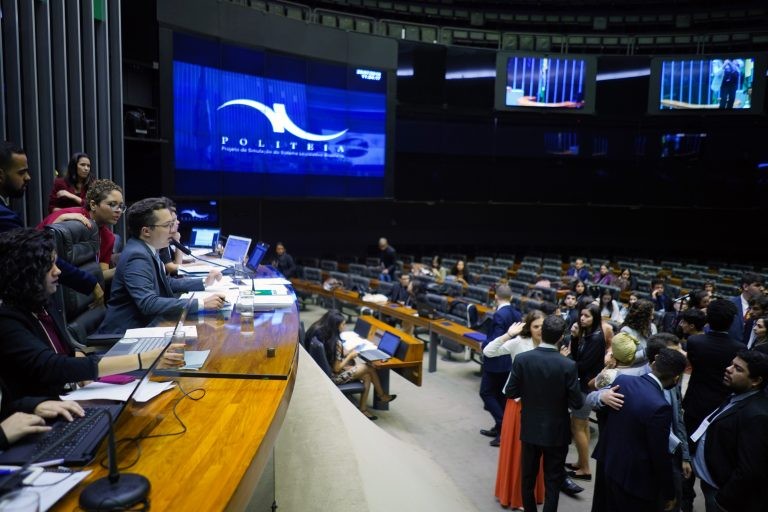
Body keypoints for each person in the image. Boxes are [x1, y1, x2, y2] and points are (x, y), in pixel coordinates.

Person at [0, 229, 176, 407]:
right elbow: (50, 366)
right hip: (41, 409)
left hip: (72, 395)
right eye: (49, 266)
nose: (58, 271)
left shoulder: (42, 302)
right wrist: (141, 359)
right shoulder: (7, 319)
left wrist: (79, 363)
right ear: (26, 272)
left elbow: (67, 351)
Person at [98, 197, 225, 333]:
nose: (173, 230)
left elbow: (165, 282)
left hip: (148, 325)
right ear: (146, 231)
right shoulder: (137, 256)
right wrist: (201, 304)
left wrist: (204, 283)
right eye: (167, 225)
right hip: (126, 335)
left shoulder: (148, 248)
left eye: (172, 224)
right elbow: (148, 303)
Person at [0, 141, 103, 304]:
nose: (28, 177)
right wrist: (88, 282)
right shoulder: (4, 217)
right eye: (21, 173)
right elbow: (33, 250)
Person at [504, 315, 584, 512]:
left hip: (530, 427)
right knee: (553, 480)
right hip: (557, 431)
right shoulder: (568, 365)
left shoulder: (523, 359)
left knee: (528, 479)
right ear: (560, 338)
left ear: (542, 334)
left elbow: (510, 392)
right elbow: (577, 403)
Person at [594, 348, 688, 512]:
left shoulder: (623, 381)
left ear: (653, 364)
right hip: (634, 481)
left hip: (609, 463)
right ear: (676, 378)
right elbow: (659, 453)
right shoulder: (660, 407)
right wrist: (669, 492)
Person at [681, 299, 742, 512]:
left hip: (695, 403)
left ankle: (686, 499)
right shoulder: (739, 348)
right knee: (716, 455)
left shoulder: (696, 343)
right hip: (722, 409)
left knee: (686, 451)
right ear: (732, 321)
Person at [484, 309, 547, 508]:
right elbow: (488, 351)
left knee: (535, 453)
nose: (540, 330)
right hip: (518, 404)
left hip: (540, 406)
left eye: (543, 327)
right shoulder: (519, 342)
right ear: (529, 327)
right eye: (536, 326)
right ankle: (514, 496)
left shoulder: (550, 345)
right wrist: (508, 335)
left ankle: (530, 495)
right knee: (518, 452)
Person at [691, 350, 768, 512]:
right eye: (731, 364)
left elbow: (749, 471)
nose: (728, 369)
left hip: (720, 493)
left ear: (755, 381)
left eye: (738, 369)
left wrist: (723, 500)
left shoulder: (757, 416)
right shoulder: (739, 393)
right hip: (711, 482)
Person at [306, 310, 395, 420]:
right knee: (369, 367)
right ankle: (382, 396)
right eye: (343, 324)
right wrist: (350, 355)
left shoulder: (318, 330)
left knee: (367, 376)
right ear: (335, 326)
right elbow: (337, 368)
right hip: (333, 377)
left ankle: (364, 409)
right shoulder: (336, 342)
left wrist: (347, 352)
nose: (344, 327)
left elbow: (331, 356)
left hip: (321, 371)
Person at [38, 179, 124, 282]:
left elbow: (101, 274)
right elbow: (39, 247)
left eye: (120, 206)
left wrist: (124, 268)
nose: (118, 210)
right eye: (112, 204)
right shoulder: (67, 217)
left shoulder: (108, 237)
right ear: (93, 205)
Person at [563, 303, 605, 481]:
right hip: (584, 385)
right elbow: (578, 357)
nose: (582, 319)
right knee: (584, 425)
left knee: (577, 427)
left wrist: (565, 359)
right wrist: (573, 338)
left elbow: (582, 365)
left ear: (595, 318)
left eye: (587, 316)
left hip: (586, 388)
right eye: (581, 315)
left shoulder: (596, 338)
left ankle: (586, 469)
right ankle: (581, 462)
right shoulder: (588, 335)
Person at [478, 285, 521, 447]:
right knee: (500, 396)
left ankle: (503, 425)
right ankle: (498, 428)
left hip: (496, 360)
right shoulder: (517, 313)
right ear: (511, 297)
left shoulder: (499, 315)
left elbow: (497, 339)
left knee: (486, 393)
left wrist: (484, 345)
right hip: (509, 361)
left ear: (496, 297)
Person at [728, 272, 764, 345]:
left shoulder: (764, 308)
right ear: (745, 287)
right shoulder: (729, 304)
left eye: (762, 285)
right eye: (757, 285)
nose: (762, 289)